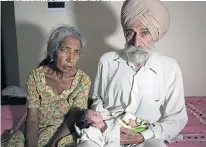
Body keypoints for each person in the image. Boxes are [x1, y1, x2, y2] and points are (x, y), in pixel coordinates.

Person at [91, 0, 188, 147]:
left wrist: (143, 136)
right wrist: (110, 124)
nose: (137, 42)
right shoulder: (107, 61)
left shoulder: (170, 67)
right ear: (125, 33)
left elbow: (177, 117)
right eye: (131, 33)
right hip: (108, 130)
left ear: (155, 35)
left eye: (144, 33)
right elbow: (97, 100)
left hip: (148, 134)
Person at [2, 25, 91, 147]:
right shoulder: (35, 76)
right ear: (54, 51)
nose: (71, 58)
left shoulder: (83, 81)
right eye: (65, 50)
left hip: (64, 132)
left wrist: (52, 145)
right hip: (36, 128)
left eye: (77, 52)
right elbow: (32, 119)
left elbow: (71, 121)